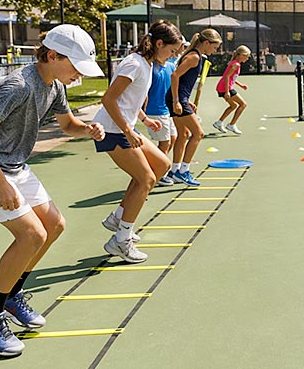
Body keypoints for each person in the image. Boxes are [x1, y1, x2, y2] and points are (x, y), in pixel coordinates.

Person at [0, 24, 106, 356]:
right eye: (76, 66)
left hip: (13, 165)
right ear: (52, 55)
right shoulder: (18, 86)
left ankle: (10, 296)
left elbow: (67, 125)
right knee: (31, 235)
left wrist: (87, 130)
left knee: (54, 226)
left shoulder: (54, 84)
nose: (79, 75)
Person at [94, 20, 183, 264]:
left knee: (162, 164)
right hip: (112, 130)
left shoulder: (147, 64)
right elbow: (109, 99)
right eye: (172, 51)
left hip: (126, 127)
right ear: (159, 43)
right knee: (146, 179)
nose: (173, 56)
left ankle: (119, 217)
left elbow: (128, 100)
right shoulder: (134, 63)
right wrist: (128, 130)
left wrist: (143, 118)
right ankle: (120, 240)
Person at [168, 28, 221, 185]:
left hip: (179, 98)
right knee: (198, 134)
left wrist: (183, 99)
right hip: (176, 99)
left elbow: (182, 81)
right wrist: (177, 100)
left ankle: (174, 171)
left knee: (183, 135)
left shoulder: (195, 56)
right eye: (214, 47)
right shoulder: (194, 57)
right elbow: (174, 75)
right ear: (206, 43)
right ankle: (184, 171)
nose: (215, 50)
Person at [144, 38, 184, 186]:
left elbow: (174, 88)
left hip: (167, 109)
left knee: (172, 138)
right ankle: (159, 173)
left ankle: (160, 168)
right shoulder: (150, 67)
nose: (173, 54)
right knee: (165, 142)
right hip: (155, 110)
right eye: (172, 50)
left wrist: (180, 101)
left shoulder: (171, 66)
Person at [213, 45, 251, 135]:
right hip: (225, 88)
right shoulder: (236, 64)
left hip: (222, 87)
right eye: (247, 56)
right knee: (243, 104)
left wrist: (241, 85)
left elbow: (231, 77)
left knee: (233, 106)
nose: (247, 59)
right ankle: (232, 124)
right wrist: (227, 92)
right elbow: (226, 77)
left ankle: (219, 123)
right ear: (241, 55)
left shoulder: (235, 63)